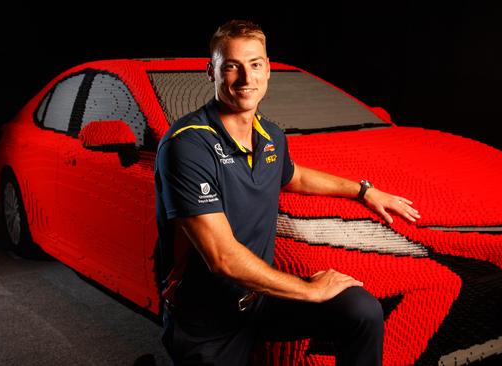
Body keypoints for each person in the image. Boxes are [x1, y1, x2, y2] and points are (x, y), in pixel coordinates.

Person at [154, 19, 421, 366]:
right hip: (207, 319)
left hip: (261, 298)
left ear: (267, 70)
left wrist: (364, 191)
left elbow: (294, 176)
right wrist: (310, 290)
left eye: (255, 65)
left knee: (360, 310)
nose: (246, 79)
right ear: (211, 71)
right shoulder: (188, 144)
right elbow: (221, 257)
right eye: (232, 66)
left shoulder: (270, 135)